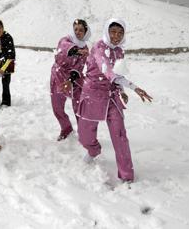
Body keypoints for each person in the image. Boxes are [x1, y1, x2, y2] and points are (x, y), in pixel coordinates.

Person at [77, 18, 153, 182]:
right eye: (113, 32)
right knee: (84, 136)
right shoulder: (99, 48)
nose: (116, 36)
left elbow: (118, 74)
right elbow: (108, 71)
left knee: (120, 136)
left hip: (111, 96)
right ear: (106, 31)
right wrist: (134, 87)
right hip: (93, 95)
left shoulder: (119, 51)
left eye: (120, 32)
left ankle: (127, 176)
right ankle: (93, 150)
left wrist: (122, 89)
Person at [50, 19, 90, 141]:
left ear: (86, 32)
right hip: (57, 76)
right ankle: (66, 128)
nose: (78, 32)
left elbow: (79, 67)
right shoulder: (65, 40)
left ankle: (84, 133)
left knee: (79, 108)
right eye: (76, 29)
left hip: (74, 79)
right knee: (57, 107)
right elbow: (63, 49)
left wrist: (70, 80)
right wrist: (77, 50)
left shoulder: (85, 48)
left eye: (81, 30)